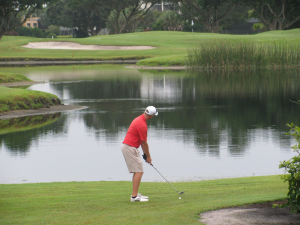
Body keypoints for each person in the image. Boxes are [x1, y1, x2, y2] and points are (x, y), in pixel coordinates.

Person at [121, 106, 158, 202]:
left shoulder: (139, 119)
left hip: (131, 147)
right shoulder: (142, 125)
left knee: (138, 170)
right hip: (129, 148)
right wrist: (148, 157)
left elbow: (142, 143)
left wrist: (146, 155)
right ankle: (134, 197)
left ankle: (135, 194)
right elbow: (144, 143)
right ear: (151, 116)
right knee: (139, 171)